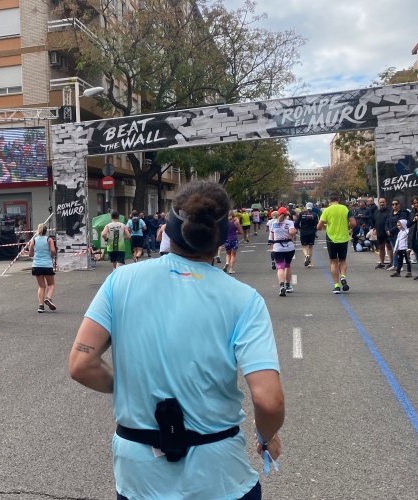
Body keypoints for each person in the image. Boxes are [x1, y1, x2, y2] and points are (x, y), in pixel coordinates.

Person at [69, 180, 283, 500]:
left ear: (169, 229)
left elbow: (81, 364)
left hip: (139, 474)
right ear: (221, 235)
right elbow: (269, 401)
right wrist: (266, 437)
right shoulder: (244, 299)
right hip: (219, 474)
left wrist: (132, 384)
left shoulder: (120, 281)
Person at [317, 194, 356, 294]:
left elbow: (319, 227)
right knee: (342, 260)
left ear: (329, 200)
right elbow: (353, 223)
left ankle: (336, 286)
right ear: (339, 199)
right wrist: (347, 227)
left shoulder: (327, 210)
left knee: (333, 262)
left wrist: (326, 226)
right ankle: (343, 276)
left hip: (331, 239)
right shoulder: (345, 209)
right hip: (343, 238)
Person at [28, 223, 57, 313]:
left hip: (37, 265)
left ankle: (41, 306)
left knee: (41, 286)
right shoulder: (49, 239)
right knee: (51, 284)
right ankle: (48, 298)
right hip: (47, 264)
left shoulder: (34, 240)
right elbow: (53, 250)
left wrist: (35, 255)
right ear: (46, 231)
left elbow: (30, 254)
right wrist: (52, 255)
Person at [270, 207, 297, 296]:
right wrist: (294, 231)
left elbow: (272, 237)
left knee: (280, 267)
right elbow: (291, 232)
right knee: (287, 265)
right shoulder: (290, 222)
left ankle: (282, 286)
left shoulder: (274, 223)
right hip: (289, 247)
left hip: (278, 247)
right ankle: (288, 285)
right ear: (286, 215)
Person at [385, 200, 409, 271]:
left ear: (399, 205)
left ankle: (400, 265)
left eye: (396, 204)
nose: (394, 206)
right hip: (391, 235)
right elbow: (386, 223)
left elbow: (401, 224)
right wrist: (387, 231)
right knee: (394, 250)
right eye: (393, 204)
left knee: (400, 251)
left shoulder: (402, 213)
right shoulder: (390, 214)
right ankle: (394, 265)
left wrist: (391, 231)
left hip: (400, 233)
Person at [294, 202, 318, 267]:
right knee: (310, 246)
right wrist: (315, 230)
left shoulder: (301, 214)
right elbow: (316, 224)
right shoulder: (314, 214)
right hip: (312, 232)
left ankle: (306, 256)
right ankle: (309, 261)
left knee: (304, 246)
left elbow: (296, 223)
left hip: (303, 231)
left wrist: (299, 228)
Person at [371, 198, 392, 268]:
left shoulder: (390, 211)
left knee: (389, 247)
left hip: (387, 232)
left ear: (386, 203)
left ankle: (391, 263)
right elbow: (373, 221)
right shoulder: (376, 212)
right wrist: (373, 227)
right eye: (380, 202)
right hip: (379, 232)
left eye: (383, 202)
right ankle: (381, 263)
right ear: (378, 203)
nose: (382, 204)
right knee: (381, 247)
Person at [223, 210, 243, 274]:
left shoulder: (224, 222)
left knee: (228, 254)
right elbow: (241, 232)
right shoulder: (236, 222)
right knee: (233, 255)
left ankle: (227, 263)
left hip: (226, 239)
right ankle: (231, 269)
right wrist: (236, 232)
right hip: (234, 239)